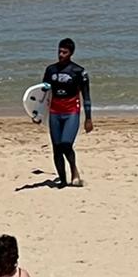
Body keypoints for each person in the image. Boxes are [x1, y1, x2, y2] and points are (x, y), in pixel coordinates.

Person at [42, 37, 92, 188]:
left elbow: (86, 96)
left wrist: (88, 118)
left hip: (71, 111)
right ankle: (63, 180)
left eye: (64, 52)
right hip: (55, 111)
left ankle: (74, 170)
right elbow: (42, 95)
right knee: (56, 147)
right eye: (59, 51)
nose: (61, 54)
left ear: (71, 53)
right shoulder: (51, 70)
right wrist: (36, 114)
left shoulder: (79, 71)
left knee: (66, 144)